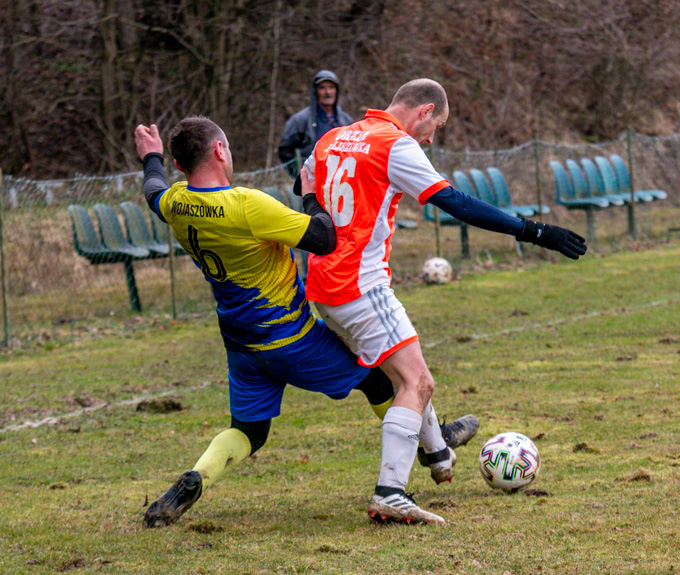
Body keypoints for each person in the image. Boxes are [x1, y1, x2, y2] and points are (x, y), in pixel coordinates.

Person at [133, 116, 478, 528]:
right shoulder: (247, 205)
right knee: (383, 381)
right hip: (289, 339)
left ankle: (197, 477)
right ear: (220, 151)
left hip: (240, 343)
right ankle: (426, 450)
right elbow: (323, 237)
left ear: (177, 165)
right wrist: (312, 193)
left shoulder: (173, 202)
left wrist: (150, 156)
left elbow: (151, 188)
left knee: (249, 430)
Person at [302, 78, 587, 525]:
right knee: (417, 383)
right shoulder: (394, 144)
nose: (432, 138)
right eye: (436, 126)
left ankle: (438, 453)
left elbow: (307, 185)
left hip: (322, 283)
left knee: (404, 366)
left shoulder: (334, 136)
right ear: (424, 110)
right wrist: (533, 231)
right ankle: (390, 492)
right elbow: (455, 202)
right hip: (358, 286)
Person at [277, 70, 353, 177]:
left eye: (331, 87)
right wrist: (299, 175)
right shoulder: (300, 120)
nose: (328, 92)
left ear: (336, 90)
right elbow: (285, 149)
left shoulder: (346, 121)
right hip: (311, 182)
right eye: (322, 88)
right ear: (315, 91)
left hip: (339, 181)